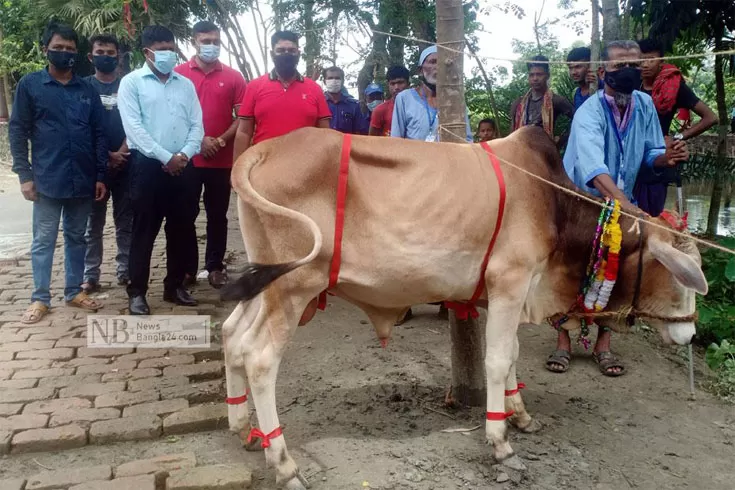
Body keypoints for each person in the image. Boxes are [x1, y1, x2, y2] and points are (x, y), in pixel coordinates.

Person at [559, 40, 690, 377]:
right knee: (572, 269)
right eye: (620, 67)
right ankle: (563, 342)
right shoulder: (588, 112)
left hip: (622, 202)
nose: (629, 72)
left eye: (635, 64)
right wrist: (628, 207)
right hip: (582, 203)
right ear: (604, 72)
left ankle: (604, 345)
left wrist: (666, 157)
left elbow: (650, 155)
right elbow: (593, 169)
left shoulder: (645, 105)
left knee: (615, 271)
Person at [9, 22, 107, 324]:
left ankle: (73, 291)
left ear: (76, 53)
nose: (63, 53)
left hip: (83, 179)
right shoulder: (30, 85)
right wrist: (24, 175)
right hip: (47, 180)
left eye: (69, 49)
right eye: (58, 48)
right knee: (44, 240)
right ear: (45, 50)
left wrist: (101, 175)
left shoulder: (87, 88)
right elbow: (18, 131)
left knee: (77, 237)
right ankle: (40, 298)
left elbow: (99, 132)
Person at [117, 25, 204, 315]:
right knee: (144, 231)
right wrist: (166, 156)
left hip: (183, 167)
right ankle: (137, 292)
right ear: (147, 52)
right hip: (147, 167)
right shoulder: (132, 83)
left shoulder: (185, 84)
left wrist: (183, 154)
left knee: (181, 229)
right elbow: (134, 129)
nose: (168, 53)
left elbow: (197, 126)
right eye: (162, 48)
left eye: (171, 47)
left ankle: (174, 286)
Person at [174, 21, 247, 290]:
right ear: (194, 41)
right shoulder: (179, 74)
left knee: (218, 215)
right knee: (186, 213)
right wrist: (198, 141)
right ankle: (187, 268)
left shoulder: (234, 77)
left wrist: (220, 140)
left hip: (221, 158)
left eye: (215, 41)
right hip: (189, 157)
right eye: (206, 41)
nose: (211, 45)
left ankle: (215, 266)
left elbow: (242, 117)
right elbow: (174, 116)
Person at [634, 38, 718, 216]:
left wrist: (678, 137)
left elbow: (710, 117)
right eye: (641, 60)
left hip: (658, 157)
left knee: (651, 217)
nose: (645, 64)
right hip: (630, 155)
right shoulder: (630, 84)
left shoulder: (673, 87)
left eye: (651, 59)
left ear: (661, 61)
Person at [81, 33, 133, 294]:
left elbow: (137, 122)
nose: (106, 57)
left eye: (111, 53)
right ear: (91, 57)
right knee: (94, 225)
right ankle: (91, 275)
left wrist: (121, 152)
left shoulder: (129, 86)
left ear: (118, 57)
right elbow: (82, 127)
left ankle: (125, 269)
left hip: (127, 164)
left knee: (126, 222)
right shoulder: (82, 87)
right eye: (100, 52)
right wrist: (106, 157)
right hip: (95, 169)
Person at [233, 31, 331, 159]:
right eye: (280, 50)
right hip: (264, 164)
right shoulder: (255, 86)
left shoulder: (315, 88)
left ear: (298, 54)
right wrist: (236, 172)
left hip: (306, 167)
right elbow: (244, 133)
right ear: (272, 54)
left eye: (291, 50)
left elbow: (325, 134)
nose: (286, 54)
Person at [391, 45, 472, 142]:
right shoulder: (404, 98)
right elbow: (396, 140)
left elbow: (467, 140)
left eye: (441, 63)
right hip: (413, 157)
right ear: (420, 70)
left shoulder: (455, 101)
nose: (437, 67)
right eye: (433, 62)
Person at [511, 55, 574, 146]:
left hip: (545, 152)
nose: (535, 78)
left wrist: (562, 138)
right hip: (521, 150)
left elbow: (578, 120)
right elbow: (512, 132)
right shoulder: (519, 104)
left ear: (547, 76)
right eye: (532, 75)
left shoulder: (556, 100)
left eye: (539, 74)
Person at [369, 65, 410, 136]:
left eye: (400, 82)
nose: (396, 87)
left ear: (408, 84)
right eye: (392, 84)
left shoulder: (418, 108)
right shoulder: (380, 110)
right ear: (388, 85)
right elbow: (371, 141)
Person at [324, 66, 364, 134]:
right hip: (324, 144)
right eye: (330, 78)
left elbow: (358, 133)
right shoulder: (318, 104)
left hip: (346, 144)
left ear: (343, 81)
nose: (334, 81)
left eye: (337, 78)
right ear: (324, 81)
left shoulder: (354, 106)